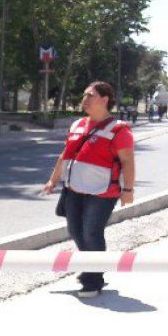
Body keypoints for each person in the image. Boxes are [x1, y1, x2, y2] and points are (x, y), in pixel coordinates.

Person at [42, 81, 135, 298]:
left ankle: (92, 279)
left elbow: (128, 162)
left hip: (103, 192)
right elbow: (65, 155)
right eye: (84, 95)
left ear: (104, 100)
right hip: (74, 188)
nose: (85, 99)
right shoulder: (77, 125)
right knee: (75, 231)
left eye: (90, 95)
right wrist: (52, 180)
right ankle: (95, 267)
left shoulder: (119, 129)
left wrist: (128, 190)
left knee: (91, 232)